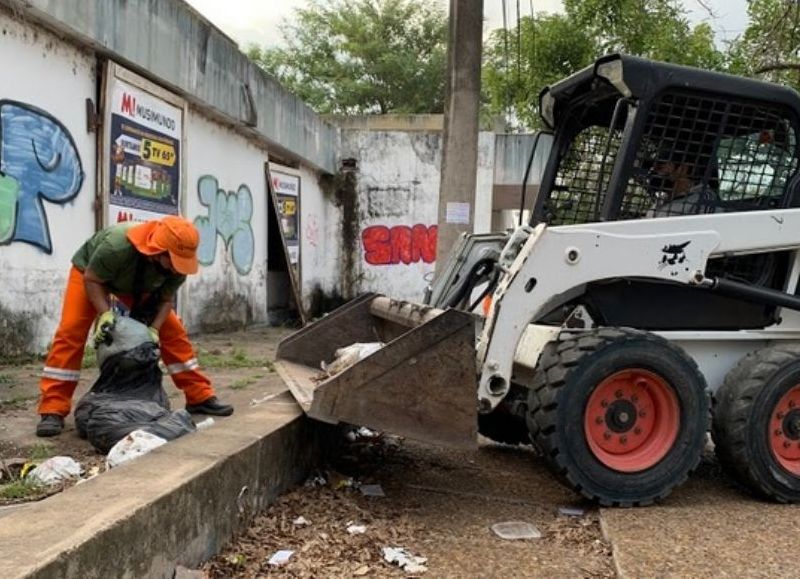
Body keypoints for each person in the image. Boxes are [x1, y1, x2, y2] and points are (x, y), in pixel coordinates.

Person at [36, 216, 233, 437]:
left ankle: (199, 396)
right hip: (91, 275)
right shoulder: (116, 246)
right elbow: (92, 279)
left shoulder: (177, 266)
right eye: (173, 261)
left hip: (135, 283)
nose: (176, 268)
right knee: (71, 330)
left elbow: (165, 301)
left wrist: (154, 329)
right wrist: (105, 314)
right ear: (158, 251)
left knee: (174, 331)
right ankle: (52, 408)